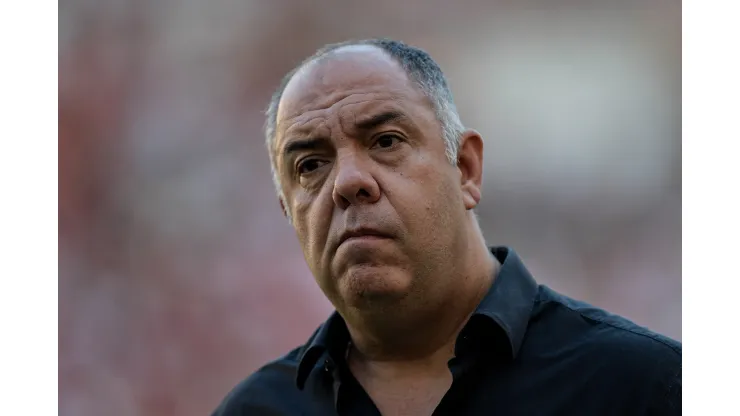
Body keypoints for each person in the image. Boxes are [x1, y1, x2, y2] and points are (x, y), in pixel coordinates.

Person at [212, 38, 681, 416]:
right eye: (311, 164)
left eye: (385, 141)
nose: (348, 181)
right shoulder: (256, 409)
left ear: (466, 169)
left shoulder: (647, 386)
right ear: (288, 212)